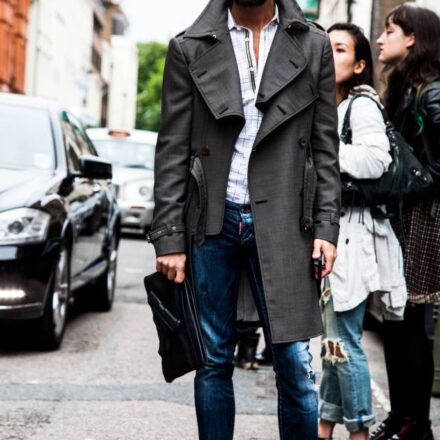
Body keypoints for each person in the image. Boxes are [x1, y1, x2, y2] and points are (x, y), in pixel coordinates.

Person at [147, 0, 341, 438]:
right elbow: (173, 147)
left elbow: (326, 148)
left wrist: (327, 226)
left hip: (288, 222)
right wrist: (169, 237)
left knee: (294, 363)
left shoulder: (313, 45)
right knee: (212, 361)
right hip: (211, 221)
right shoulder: (188, 47)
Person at [317, 23, 407, 440]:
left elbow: (376, 162)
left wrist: (322, 148)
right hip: (335, 233)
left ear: (358, 65)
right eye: (325, 47)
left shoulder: (361, 105)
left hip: (352, 236)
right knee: (333, 341)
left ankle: (359, 432)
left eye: (339, 49)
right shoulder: (326, 104)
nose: (328, 55)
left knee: (343, 340)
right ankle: (324, 426)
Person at [371, 4, 440, 440]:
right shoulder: (406, 86)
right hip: (403, 212)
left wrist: (413, 185)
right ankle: (403, 418)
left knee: (413, 320)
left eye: (389, 31)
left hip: (424, 216)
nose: (380, 39)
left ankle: (416, 423)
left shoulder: (432, 92)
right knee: (395, 321)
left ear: (411, 38)